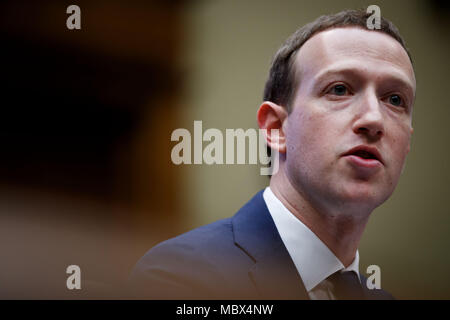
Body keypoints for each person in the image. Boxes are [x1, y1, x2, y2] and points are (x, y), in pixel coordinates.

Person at [129, 9, 416, 300]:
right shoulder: (182, 275)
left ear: (406, 145)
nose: (374, 119)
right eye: (339, 89)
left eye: (395, 99)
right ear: (277, 128)